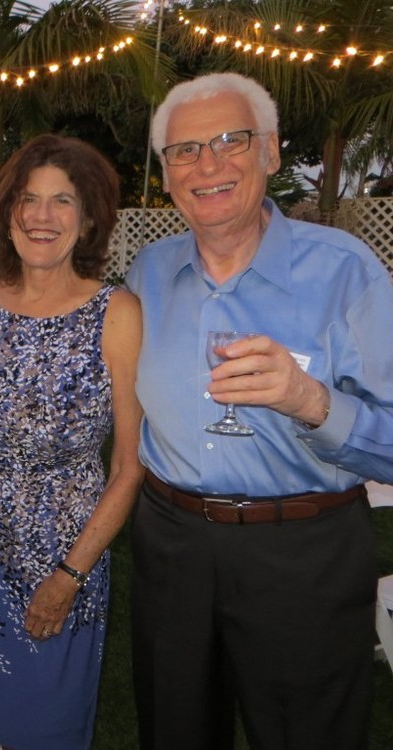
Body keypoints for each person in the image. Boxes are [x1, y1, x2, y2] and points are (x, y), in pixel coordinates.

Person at [126, 72, 393, 750]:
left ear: (271, 151)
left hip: (303, 552)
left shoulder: (347, 272)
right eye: (185, 150)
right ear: (166, 174)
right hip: (172, 545)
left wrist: (311, 401)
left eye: (230, 140)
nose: (207, 164)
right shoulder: (147, 273)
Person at [0, 134, 144, 749]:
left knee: (47, 729)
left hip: (60, 560)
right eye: (28, 199)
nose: (42, 215)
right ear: (7, 213)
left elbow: (129, 465)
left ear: (88, 220)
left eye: (62, 201)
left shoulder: (116, 313)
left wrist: (68, 576)